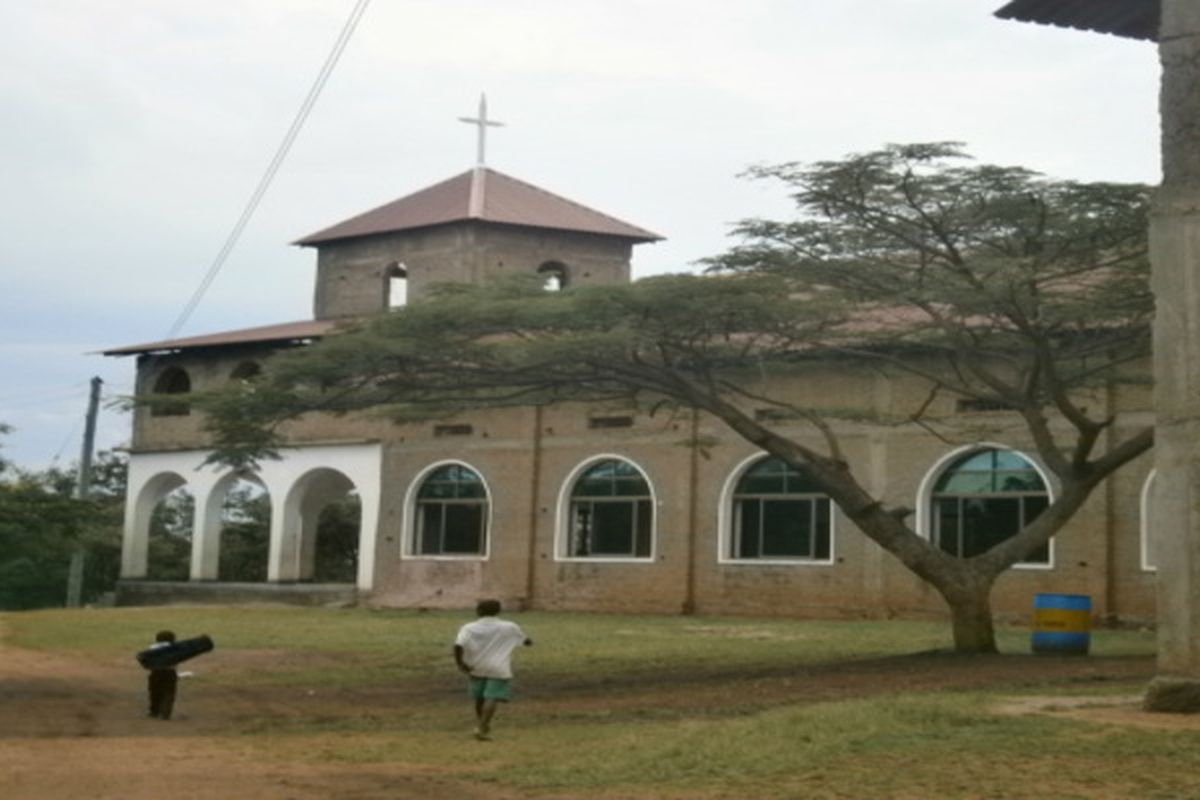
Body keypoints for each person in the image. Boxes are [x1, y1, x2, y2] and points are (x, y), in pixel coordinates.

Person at [453, 599, 532, 740]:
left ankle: (481, 724)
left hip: (476, 666)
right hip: (499, 667)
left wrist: (460, 663)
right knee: (492, 697)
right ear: (498, 611)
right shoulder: (509, 626)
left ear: (479, 611)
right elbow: (526, 641)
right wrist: (528, 641)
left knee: (480, 697)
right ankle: (482, 727)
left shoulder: (468, 628)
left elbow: (458, 645)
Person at [145, 630, 178, 720]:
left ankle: (154, 711)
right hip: (170, 672)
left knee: (155, 692)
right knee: (169, 693)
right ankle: (165, 713)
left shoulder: (152, 647)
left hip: (156, 672)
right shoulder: (175, 647)